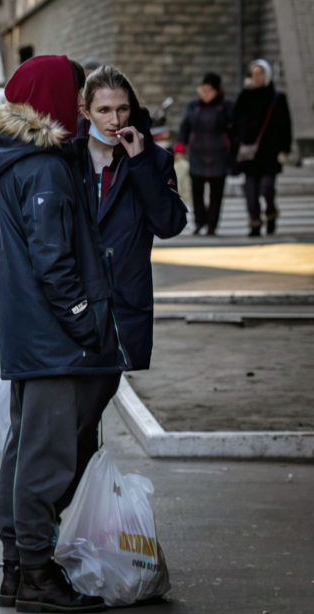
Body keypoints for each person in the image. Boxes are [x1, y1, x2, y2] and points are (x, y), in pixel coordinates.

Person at [0, 55, 125, 614]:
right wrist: (87, 320)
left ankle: (19, 568)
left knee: (25, 450)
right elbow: (54, 261)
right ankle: (35, 575)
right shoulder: (42, 168)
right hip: (54, 341)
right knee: (47, 458)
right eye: (76, 93)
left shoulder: (23, 160)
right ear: (56, 101)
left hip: (35, 337)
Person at [66, 64, 185, 495]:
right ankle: (72, 511)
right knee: (73, 421)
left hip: (119, 312)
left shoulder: (151, 160)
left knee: (87, 413)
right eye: (103, 110)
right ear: (85, 111)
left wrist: (139, 165)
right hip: (73, 308)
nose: (115, 120)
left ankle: (78, 511)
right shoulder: (68, 159)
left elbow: (170, 223)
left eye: (122, 109)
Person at [232, 59, 293, 236]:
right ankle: (255, 222)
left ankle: (271, 213)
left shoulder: (277, 97)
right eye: (254, 74)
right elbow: (235, 123)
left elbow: (285, 125)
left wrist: (284, 150)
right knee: (250, 191)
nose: (257, 77)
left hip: (270, 153)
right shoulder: (245, 96)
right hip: (249, 153)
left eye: (261, 74)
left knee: (267, 188)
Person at [177, 72, 235, 235]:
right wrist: (180, 149)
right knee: (197, 191)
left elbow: (234, 132)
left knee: (217, 193)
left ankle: (212, 224)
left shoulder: (225, 107)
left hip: (219, 155)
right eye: (203, 89)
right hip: (197, 153)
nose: (205, 93)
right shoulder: (194, 106)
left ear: (217, 91)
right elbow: (185, 128)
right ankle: (199, 221)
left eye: (209, 90)